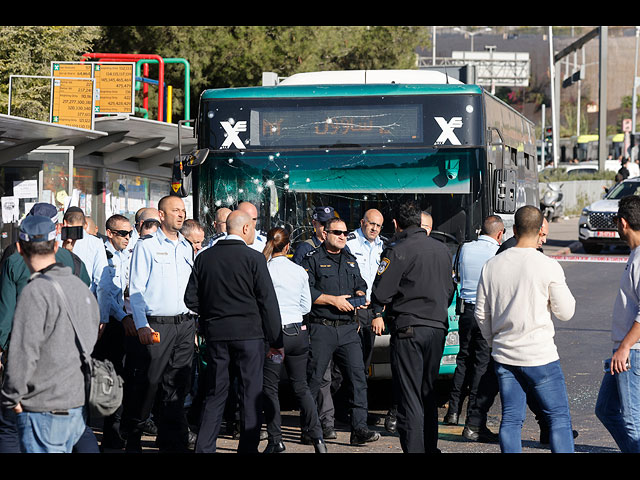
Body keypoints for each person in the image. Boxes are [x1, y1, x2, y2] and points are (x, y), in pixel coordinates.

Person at [475, 205, 576, 453]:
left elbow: (480, 312)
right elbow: (566, 312)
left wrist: (492, 341)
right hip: (540, 356)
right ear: (541, 229)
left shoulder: (492, 265)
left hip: (504, 355)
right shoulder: (547, 265)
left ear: (514, 230)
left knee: (510, 419)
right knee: (558, 419)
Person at [184, 210, 284, 453]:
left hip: (217, 334)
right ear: (246, 229)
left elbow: (190, 299)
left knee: (215, 393)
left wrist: (211, 317)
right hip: (250, 335)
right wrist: (276, 339)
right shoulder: (254, 259)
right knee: (251, 395)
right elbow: (267, 302)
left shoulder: (204, 258)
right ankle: (247, 449)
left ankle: (204, 448)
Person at [0, 203, 96, 453]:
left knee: (9, 431)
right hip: (74, 393)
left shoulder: (34, 289)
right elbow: (91, 331)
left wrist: (12, 397)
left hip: (41, 399)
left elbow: (23, 349)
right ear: (56, 244)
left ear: (19, 248)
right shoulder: (77, 276)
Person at [370, 202, 454, 453]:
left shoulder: (397, 249)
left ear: (396, 225)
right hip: (437, 328)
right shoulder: (442, 249)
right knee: (428, 393)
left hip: (409, 329)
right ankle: (430, 448)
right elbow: (449, 290)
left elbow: (381, 292)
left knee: (410, 396)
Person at [122, 195, 195, 453]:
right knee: (148, 383)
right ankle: (133, 435)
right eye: (175, 210)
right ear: (161, 216)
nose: (181, 214)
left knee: (179, 383)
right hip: (157, 326)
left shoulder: (187, 247)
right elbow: (137, 289)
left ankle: (171, 440)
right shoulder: (147, 246)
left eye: (183, 210)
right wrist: (141, 324)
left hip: (185, 325)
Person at [301, 216, 380, 446]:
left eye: (345, 233)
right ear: (325, 234)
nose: (343, 236)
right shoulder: (313, 259)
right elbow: (306, 291)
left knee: (358, 378)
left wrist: (359, 294)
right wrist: (332, 301)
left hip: (347, 328)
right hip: (322, 327)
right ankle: (309, 429)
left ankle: (359, 429)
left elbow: (361, 284)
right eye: (337, 233)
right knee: (314, 380)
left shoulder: (350, 259)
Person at [260, 227, 327, 453]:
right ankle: (318, 438)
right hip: (297, 333)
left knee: (270, 388)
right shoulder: (298, 270)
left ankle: (275, 440)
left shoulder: (263, 269)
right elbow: (306, 306)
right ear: (288, 247)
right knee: (301, 387)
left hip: (274, 336)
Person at [444, 215, 504, 436]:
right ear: (499, 233)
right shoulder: (497, 253)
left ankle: (453, 411)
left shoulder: (464, 248)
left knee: (462, 359)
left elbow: (455, 274)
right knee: (480, 364)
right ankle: (473, 417)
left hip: (466, 310)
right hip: (485, 312)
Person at [595, 194, 640, 452]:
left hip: (631, 352)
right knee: (606, 410)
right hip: (624, 350)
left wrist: (624, 348)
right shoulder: (634, 254)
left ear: (623, 223)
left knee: (633, 423)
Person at [92, 214, 136, 450]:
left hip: (119, 321)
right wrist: (123, 317)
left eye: (130, 233)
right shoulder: (105, 255)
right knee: (109, 378)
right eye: (122, 233)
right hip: (107, 324)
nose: (127, 238)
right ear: (109, 233)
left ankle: (114, 432)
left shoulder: (125, 255)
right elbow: (105, 294)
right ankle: (109, 434)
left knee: (119, 378)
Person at [62, 206, 110, 325]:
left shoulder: (55, 241)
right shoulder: (95, 243)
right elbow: (102, 283)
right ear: (84, 224)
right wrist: (103, 317)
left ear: (64, 223)